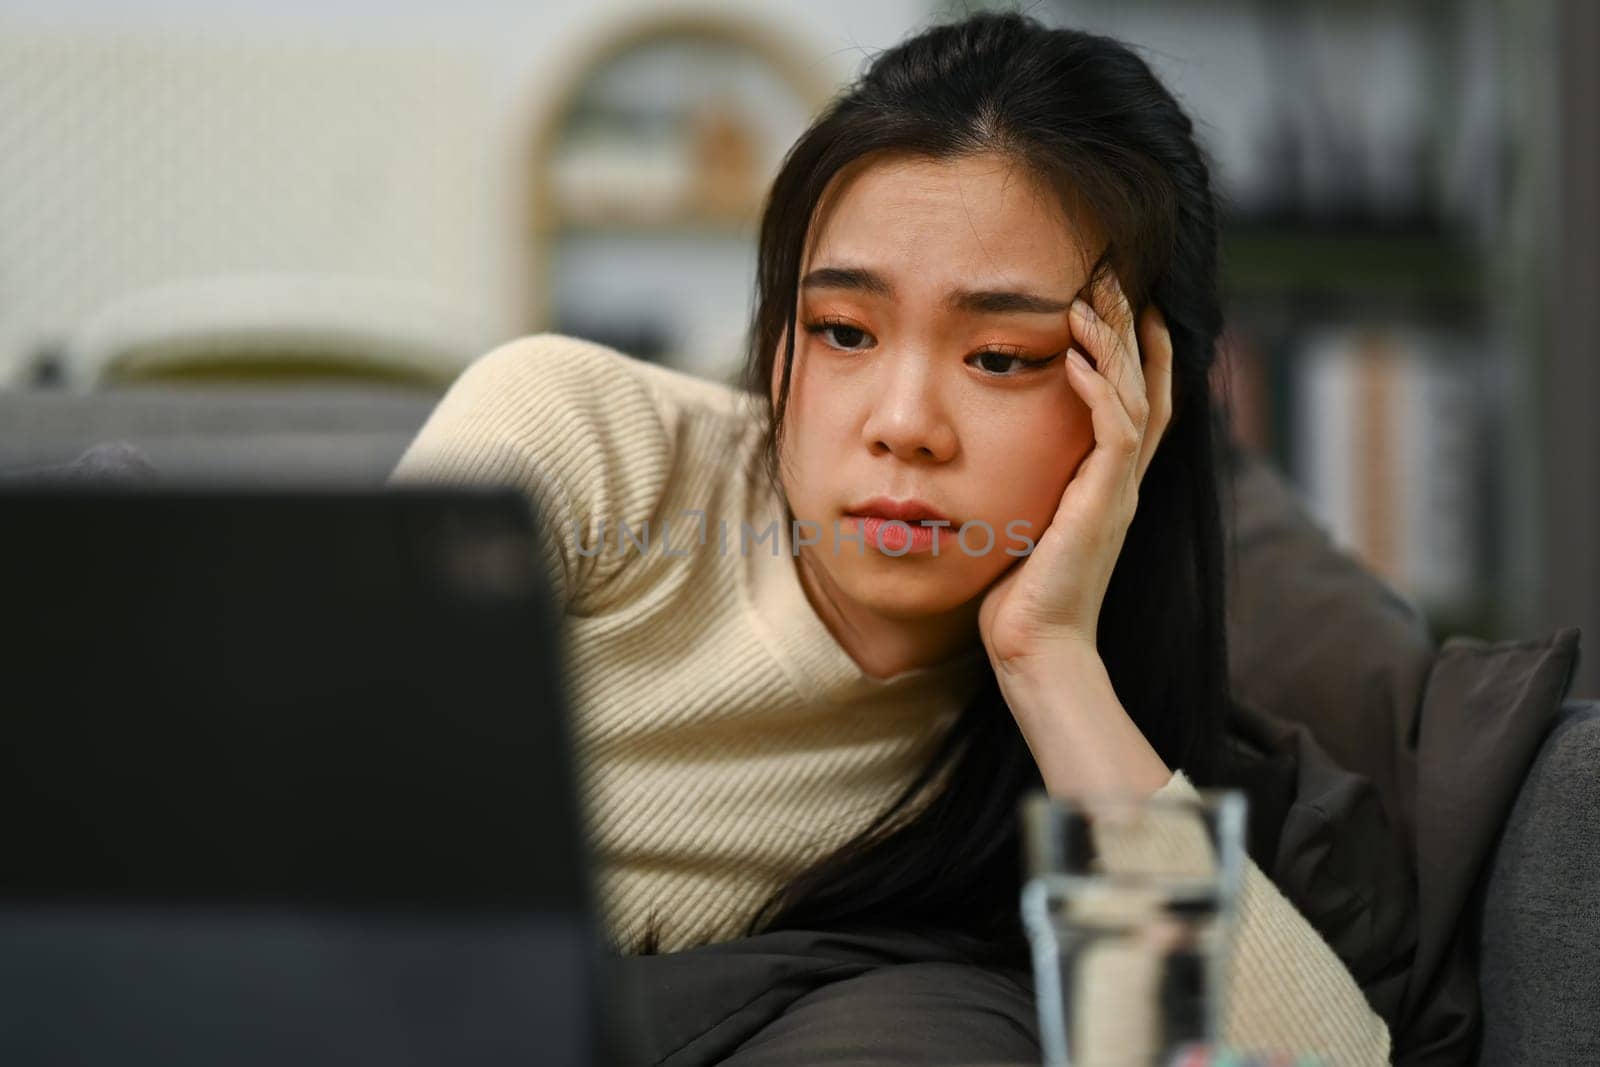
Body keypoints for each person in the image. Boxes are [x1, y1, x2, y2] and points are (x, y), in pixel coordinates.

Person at [390, 11, 1390, 1063]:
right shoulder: (579, 440)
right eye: (844, 331)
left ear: (1145, 394)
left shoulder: (1090, 737)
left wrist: (1045, 660)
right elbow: (287, 811)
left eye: (1001, 355)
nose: (902, 421)